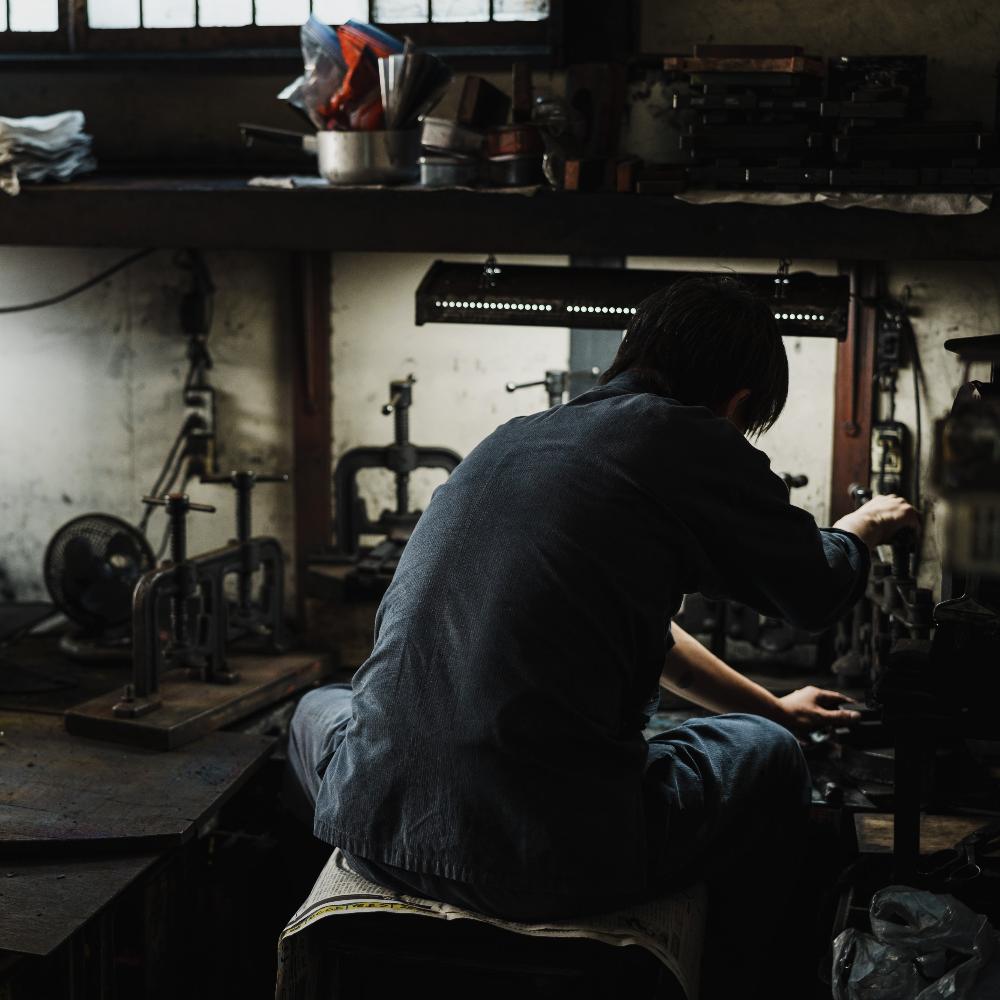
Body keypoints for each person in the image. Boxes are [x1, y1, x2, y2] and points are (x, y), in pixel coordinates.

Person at [286, 275, 919, 997]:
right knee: (771, 760)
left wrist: (775, 703)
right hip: (541, 858)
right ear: (737, 404)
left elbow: (657, 638)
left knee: (315, 711)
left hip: (374, 826)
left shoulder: (511, 439)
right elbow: (815, 590)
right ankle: (748, 981)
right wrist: (857, 532)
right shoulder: (683, 435)